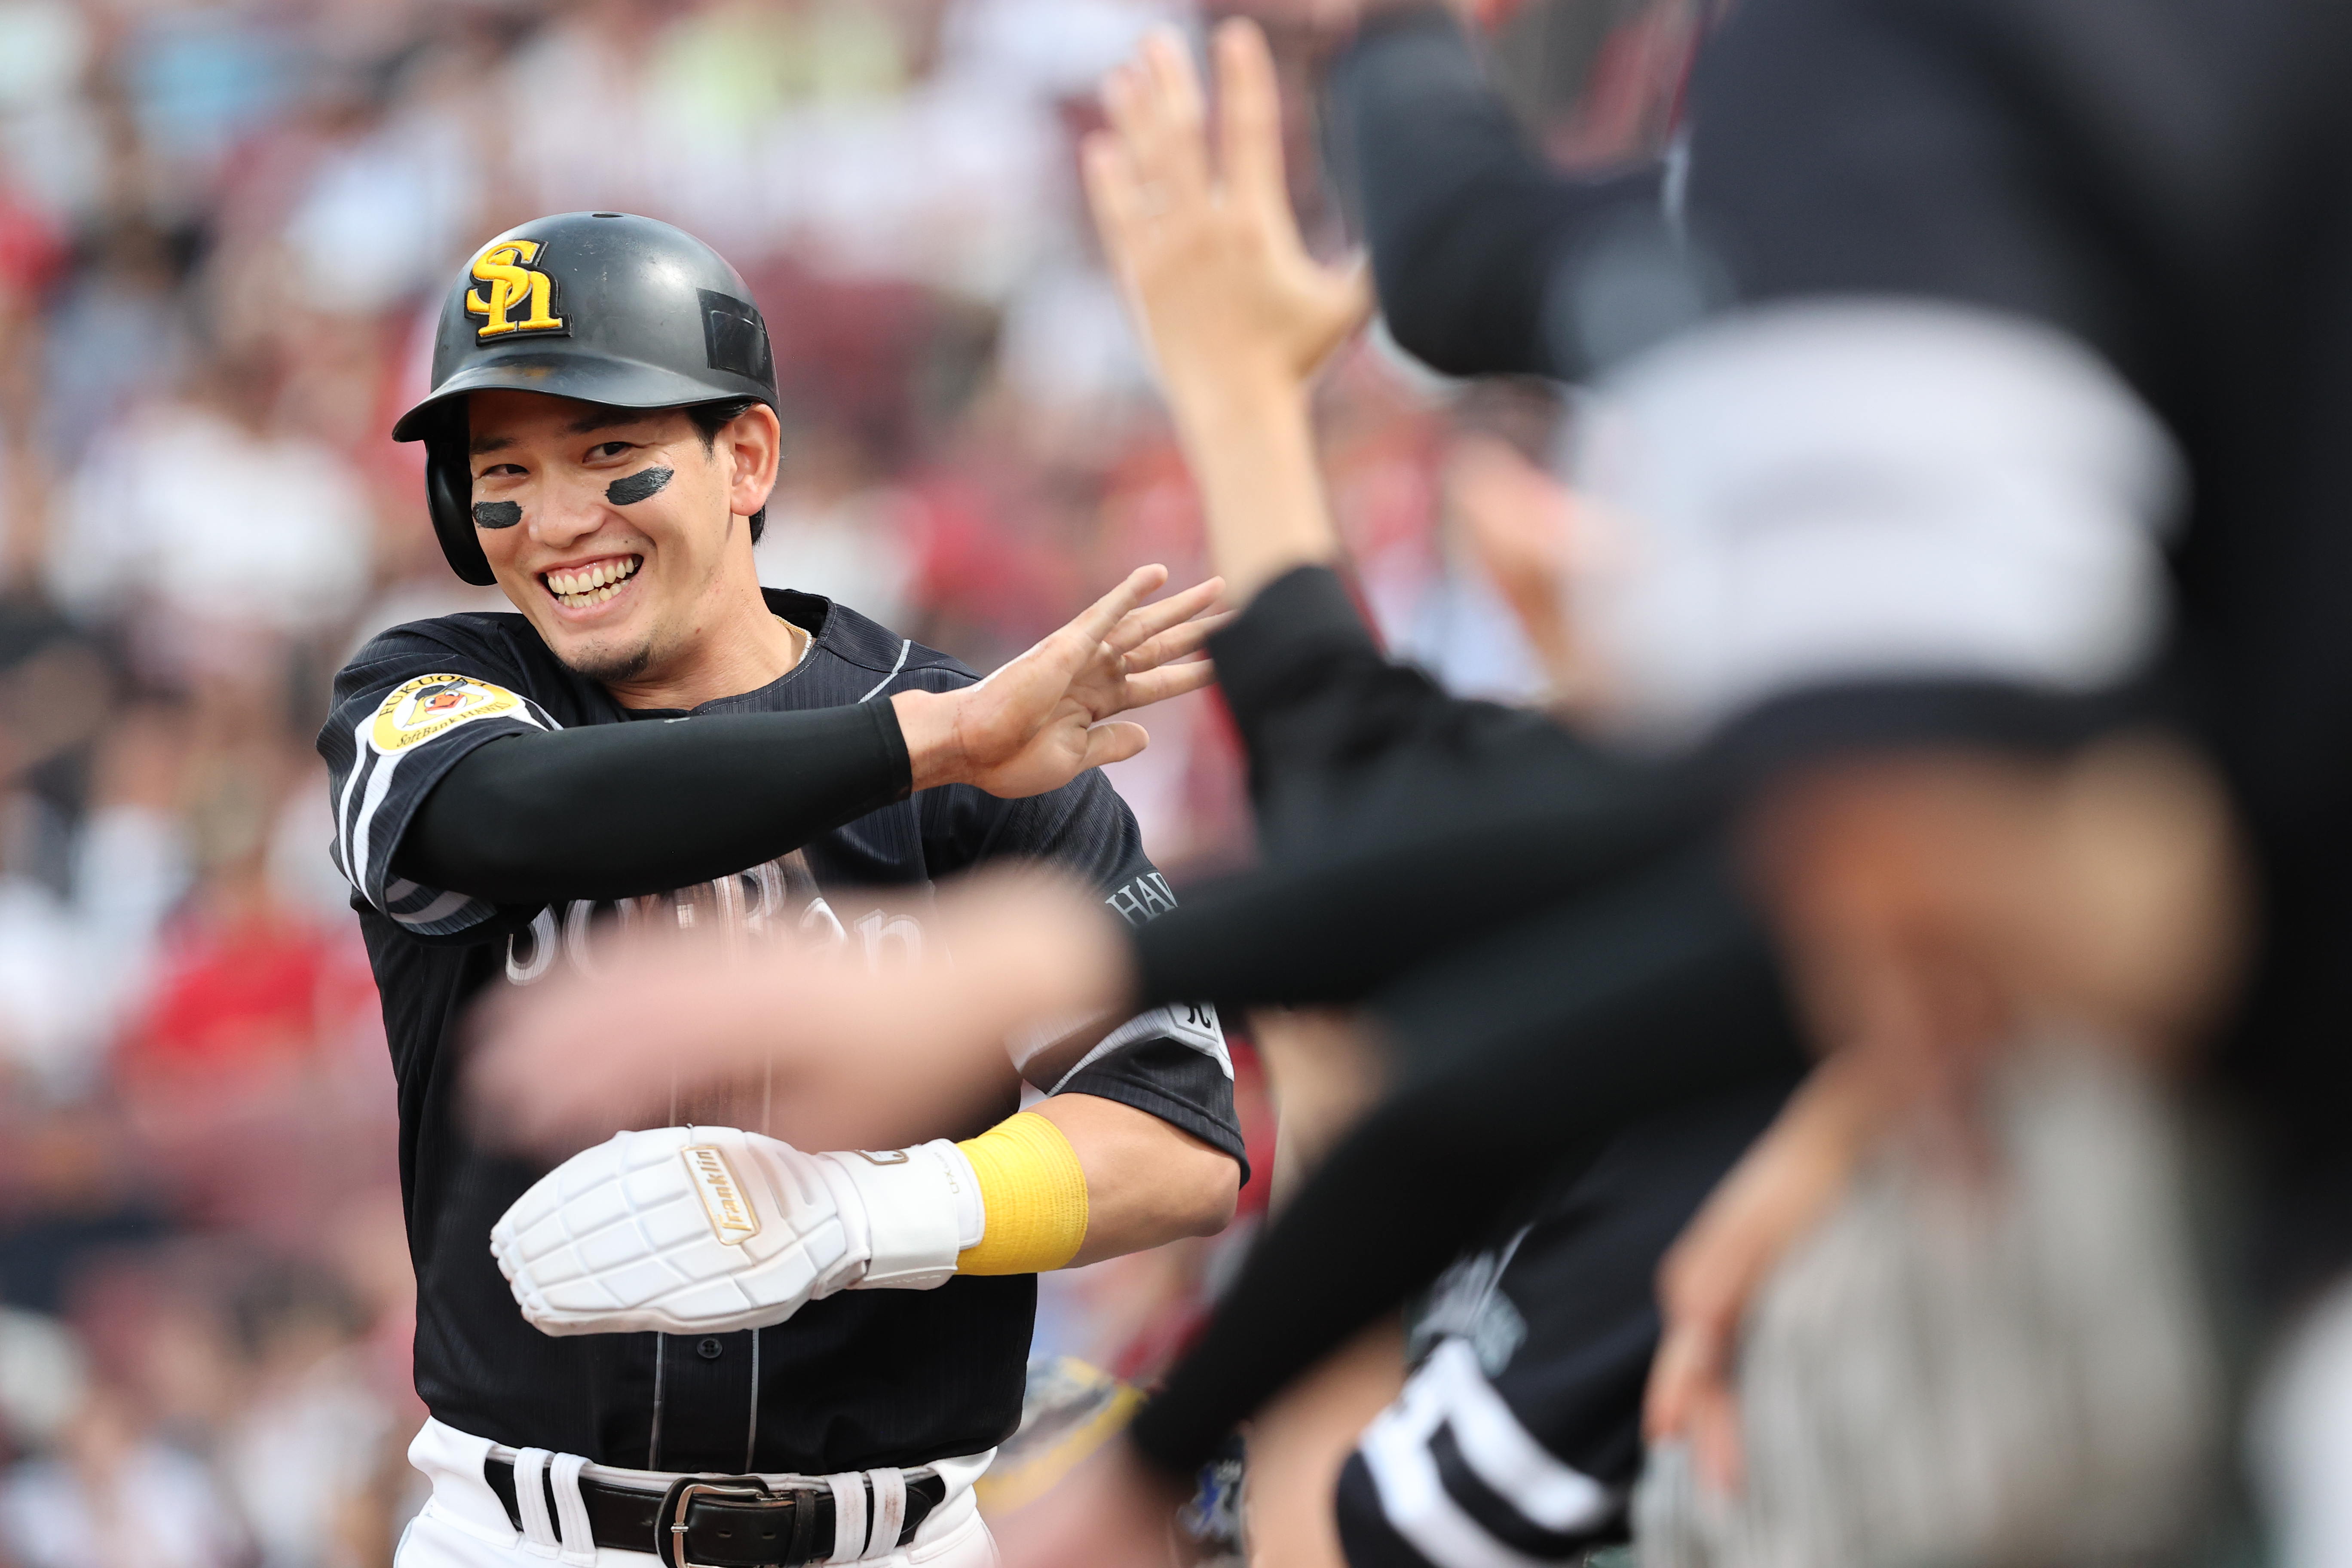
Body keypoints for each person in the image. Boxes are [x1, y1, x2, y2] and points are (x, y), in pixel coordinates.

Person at [321, 212, 1245, 1568]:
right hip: (526, 1536)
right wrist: (931, 744)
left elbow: (1176, 1142)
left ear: (745, 457)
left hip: (900, 1539)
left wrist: (867, 1218)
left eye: (609, 454)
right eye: (502, 471)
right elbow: (511, 814)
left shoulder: (979, 744)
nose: (557, 520)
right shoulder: (435, 687)